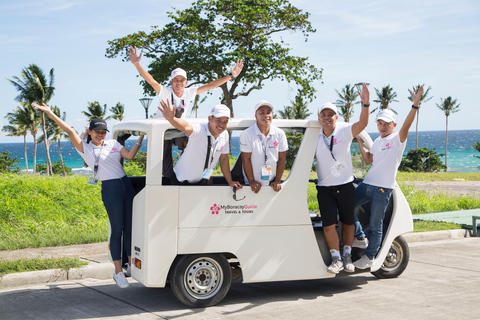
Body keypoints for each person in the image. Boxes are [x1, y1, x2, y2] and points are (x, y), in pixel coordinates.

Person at [32, 102, 144, 289]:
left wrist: (140, 139)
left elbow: (130, 156)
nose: (101, 135)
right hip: (110, 189)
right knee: (117, 230)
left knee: (130, 228)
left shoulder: (113, 143)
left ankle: (131, 265)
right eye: (98, 132)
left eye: (104, 132)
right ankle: (118, 272)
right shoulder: (85, 149)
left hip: (126, 185)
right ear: (90, 132)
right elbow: (68, 130)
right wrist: (50, 112)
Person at [128, 46, 244, 179]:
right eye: (176, 80)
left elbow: (210, 85)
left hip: (179, 129)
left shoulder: (189, 92)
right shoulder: (165, 91)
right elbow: (151, 81)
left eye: (182, 80)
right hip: (164, 131)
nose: (179, 83)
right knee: (166, 167)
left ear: (186, 82)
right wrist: (137, 64)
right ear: (171, 82)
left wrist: (231, 76)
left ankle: (188, 169)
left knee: (193, 140)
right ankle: (171, 178)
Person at [353, 86, 424, 269]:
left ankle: (369, 257)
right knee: (343, 206)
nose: (383, 126)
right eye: (380, 123)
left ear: (394, 124)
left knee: (376, 225)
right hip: (367, 184)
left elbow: (407, 126)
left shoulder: (397, 140)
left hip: (382, 189)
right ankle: (360, 237)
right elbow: (369, 160)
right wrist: (360, 142)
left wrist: (414, 106)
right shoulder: (377, 141)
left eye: (386, 123)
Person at [315, 83, 370, 274]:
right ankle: (336, 258)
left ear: (336, 117)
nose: (327, 118)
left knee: (347, 222)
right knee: (328, 224)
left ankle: (347, 255)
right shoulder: (315, 136)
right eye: (324, 115)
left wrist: (365, 105)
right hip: (325, 187)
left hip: (346, 185)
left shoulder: (344, 130)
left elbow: (362, 125)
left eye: (330, 115)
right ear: (319, 117)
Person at [158, 99, 242, 189]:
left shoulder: (224, 135)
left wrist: (230, 182)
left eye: (225, 122)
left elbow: (224, 159)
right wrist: (172, 119)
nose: (221, 124)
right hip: (181, 182)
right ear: (210, 119)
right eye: (218, 120)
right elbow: (185, 126)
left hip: (204, 182)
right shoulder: (199, 130)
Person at [239, 100, 288, 193]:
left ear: (272, 115)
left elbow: (282, 158)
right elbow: (246, 159)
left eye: (268, 112)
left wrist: (277, 180)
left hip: (271, 184)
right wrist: (251, 181)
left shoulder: (280, 133)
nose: (266, 115)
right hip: (251, 185)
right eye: (262, 113)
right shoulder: (247, 134)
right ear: (256, 116)